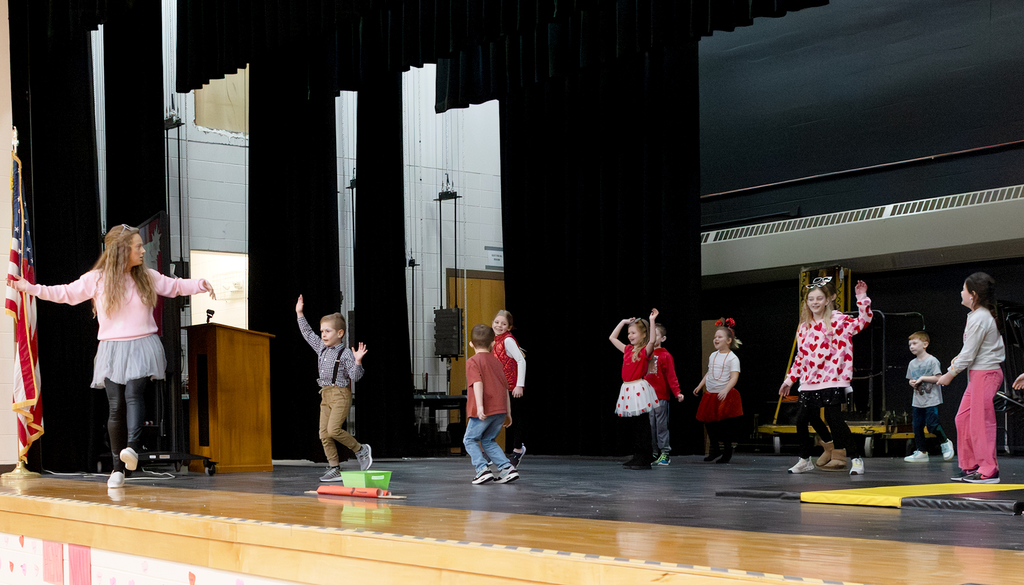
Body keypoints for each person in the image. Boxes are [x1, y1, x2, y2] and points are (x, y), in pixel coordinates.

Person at [8, 224, 216, 488]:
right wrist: (31, 288)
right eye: (138, 247)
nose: (143, 251)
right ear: (122, 251)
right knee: (115, 405)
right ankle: (118, 469)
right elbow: (65, 293)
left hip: (142, 345)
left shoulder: (146, 276)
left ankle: (131, 448)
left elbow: (173, 286)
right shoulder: (97, 279)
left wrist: (200, 284)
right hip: (111, 348)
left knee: (133, 395)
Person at [780, 277, 872, 475]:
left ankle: (856, 459)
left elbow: (863, 322)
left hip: (832, 378)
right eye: (811, 299)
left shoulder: (838, 320)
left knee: (834, 419)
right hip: (809, 381)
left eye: (819, 298)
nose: (814, 302)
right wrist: (789, 379)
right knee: (802, 419)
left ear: (829, 299)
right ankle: (804, 459)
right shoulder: (804, 326)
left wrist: (861, 297)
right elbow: (801, 356)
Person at [937, 273, 1005, 484]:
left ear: (973, 295)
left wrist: (950, 373)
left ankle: (988, 470)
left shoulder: (980, 318)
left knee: (981, 422)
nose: (961, 292)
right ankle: (971, 466)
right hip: (978, 374)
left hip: (986, 374)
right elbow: (969, 351)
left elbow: (969, 354)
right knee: (963, 418)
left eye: (964, 289)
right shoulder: (977, 316)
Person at [296, 295, 371, 482]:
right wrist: (299, 313)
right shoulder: (321, 348)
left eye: (327, 331)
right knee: (323, 433)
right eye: (322, 331)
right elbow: (307, 333)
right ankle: (334, 467)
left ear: (340, 333)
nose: (323, 334)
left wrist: (358, 361)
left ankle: (360, 449)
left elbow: (355, 376)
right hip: (325, 395)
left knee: (333, 430)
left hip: (340, 395)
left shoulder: (345, 354)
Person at [463, 323, 519, 485]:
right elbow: (505, 387)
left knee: (469, 440)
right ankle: (506, 468)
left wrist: (480, 407)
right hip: (500, 409)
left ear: (471, 344)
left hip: (484, 410)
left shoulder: (473, 361)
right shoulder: (497, 362)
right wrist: (508, 412)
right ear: (493, 343)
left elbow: (477, 383)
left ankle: (482, 469)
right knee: (488, 440)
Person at [609, 308, 661, 470]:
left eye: (633, 333)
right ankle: (637, 455)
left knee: (642, 424)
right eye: (629, 333)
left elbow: (652, 340)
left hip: (638, 388)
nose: (630, 336)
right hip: (628, 389)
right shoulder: (627, 349)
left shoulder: (645, 351)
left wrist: (651, 321)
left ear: (643, 335)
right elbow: (612, 337)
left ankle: (645, 457)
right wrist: (623, 322)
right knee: (633, 425)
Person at [693, 318, 743, 464]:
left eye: (719, 337)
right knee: (709, 423)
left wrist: (726, 390)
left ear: (728, 340)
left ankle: (727, 450)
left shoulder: (732, 358)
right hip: (711, 394)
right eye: (715, 337)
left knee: (724, 425)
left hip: (724, 395)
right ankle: (715, 449)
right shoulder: (713, 355)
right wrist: (700, 384)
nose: (716, 339)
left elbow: (734, 377)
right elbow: (709, 372)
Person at [903, 331, 955, 462]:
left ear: (925, 344)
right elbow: (910, 379)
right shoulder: (912, 364)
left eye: (915, 343)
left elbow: (938, 377)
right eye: (910, 344)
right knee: (917, 426)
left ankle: (945, 442)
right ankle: (921, 451)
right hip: (917, 401)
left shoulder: (932, 361)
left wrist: (922, 378)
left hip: (931, 399)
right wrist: (912, 383)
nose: (912, 346)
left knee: (932, 425)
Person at [491, 310, 527, 467]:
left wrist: (519, 385)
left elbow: (521, 360)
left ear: (509, 327)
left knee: (515, 419)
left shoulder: (508, 341)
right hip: (500, 388)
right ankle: (491, 451)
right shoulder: (494, 340)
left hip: (512, 387)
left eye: (503, 324)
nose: (499, 326)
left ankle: (518, 450)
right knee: (498, 418)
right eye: (497, 322)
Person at [645, 323, 683, 466]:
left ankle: (665, 453)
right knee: (650, 426)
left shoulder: (666, 355)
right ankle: (654, 452)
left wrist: (677, 392)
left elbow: (671, 376)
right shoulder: (646, 354)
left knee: (661, 426)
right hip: (646, 397)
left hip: (660, 397)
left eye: (655, 335)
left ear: (663, 338)